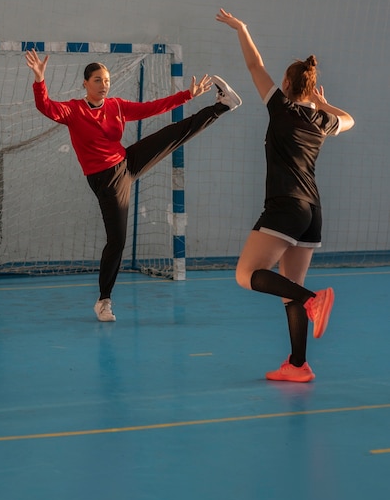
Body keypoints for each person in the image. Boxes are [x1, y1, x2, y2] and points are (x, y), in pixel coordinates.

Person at [25, 49, 242, 322]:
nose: (103, 85)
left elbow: (152, 108)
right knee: (117, 241)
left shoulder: (115, 105)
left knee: (170, 134)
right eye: (97, 80)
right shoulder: (74, 110)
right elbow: (45, 106)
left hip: (126, 161)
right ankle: (104, 301)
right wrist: (39, 79)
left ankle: (222, 105)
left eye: (106, 80)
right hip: (106, 180)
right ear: (85, 83)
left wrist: (187, 95)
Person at [216, 8, 355, 382]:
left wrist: (242, 28)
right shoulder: (322, 121)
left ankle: (315, 300)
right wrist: (323, 104)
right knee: (289, 289)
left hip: (285, 206)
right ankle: (297, 366)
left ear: (287, 85)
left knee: (247, 274)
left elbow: (252, 63)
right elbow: (349, 120)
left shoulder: (281, 108)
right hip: (312, 211)